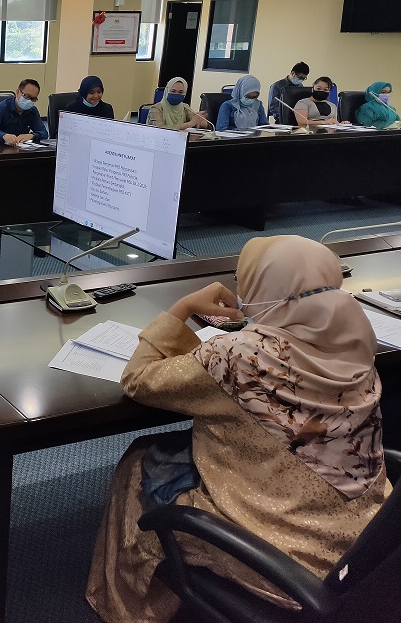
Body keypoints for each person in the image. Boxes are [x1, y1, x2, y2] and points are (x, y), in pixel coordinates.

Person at [87, 235, 388, 623]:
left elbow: (139, 379)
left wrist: (183, 308)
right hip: (368, 541)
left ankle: (126, 609)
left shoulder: (236, 357)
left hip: (288, 556)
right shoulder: (357, 335)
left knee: (138, 464)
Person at [0, 78, 48, 145]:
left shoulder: (32, 111)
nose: (29, 101)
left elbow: (44, 133)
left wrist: (32, 136)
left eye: (33, 99)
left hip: (19, 148)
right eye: (27, 96)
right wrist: (4, 136)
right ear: (17, 92)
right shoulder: (0, 107)